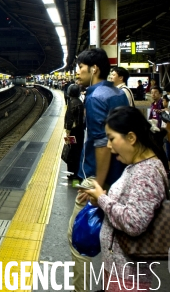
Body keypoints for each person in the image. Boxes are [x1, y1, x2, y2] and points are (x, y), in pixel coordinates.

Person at [82, 106, 167, 291]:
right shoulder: (135, 167)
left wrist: (103, 199)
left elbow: (134, 223)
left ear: (131, 137)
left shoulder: (147, 173)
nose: (109, 146)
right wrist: (99, 199)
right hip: (119, 270)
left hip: (129, 278)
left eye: (112, 139)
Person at [68, 48, 129, 292]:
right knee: (111, 238)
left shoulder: (94, 97)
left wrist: (98, 189)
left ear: (94, 69)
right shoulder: (117, 93)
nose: (77, 73)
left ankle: (80, 288)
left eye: (80, 68)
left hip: (97, 176)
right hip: (119, 177)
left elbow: (102, 144)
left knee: (78, 238)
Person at [64, 84, 85, 185]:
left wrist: (67, 131)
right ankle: (76, 173)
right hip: (79, 131)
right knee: (77, 152)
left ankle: (74, 175)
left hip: (73, 132)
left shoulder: (72, 102)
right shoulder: (79, 102)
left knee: (72, 151)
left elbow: (70, 119)